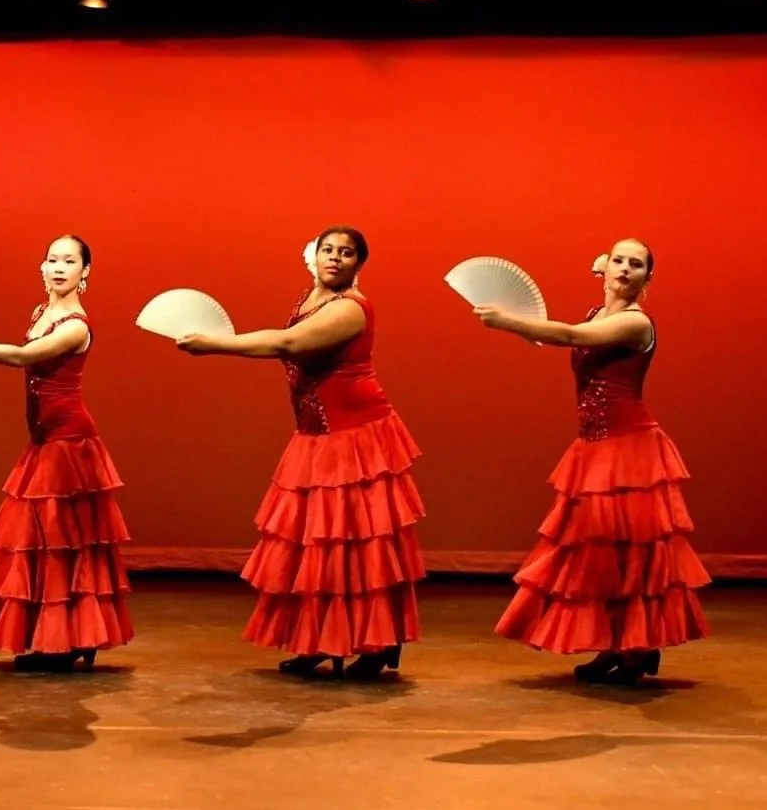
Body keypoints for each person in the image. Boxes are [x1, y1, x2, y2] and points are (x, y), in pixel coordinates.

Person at [177, 227, 425, 680]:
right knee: (316, 547)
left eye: (346, 253)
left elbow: (287, 344)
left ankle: (375, 640)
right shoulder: (310, 300)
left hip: (355, 436)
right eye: (328, 250)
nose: (335, 258)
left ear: (359, 263)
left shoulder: (351, 309)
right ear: (314, 256)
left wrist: (215, 345)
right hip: (315, 436)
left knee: (356, 547)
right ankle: (319, 640)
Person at [473, 237, 711, 684]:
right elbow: (566, 326)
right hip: (594, 448)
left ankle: (639, 646)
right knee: (598, 553)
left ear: (648, 278)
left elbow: (569, 337)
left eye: (636, 264)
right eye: (618, 261)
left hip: (630, 449)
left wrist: (509, 321)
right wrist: (600, 267)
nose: (624, 268)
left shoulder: (636, 324)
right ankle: (614, 644)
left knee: (628, 553)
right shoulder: (598, 311)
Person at [0, 235, 133, 672]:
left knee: (63, 540)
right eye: (52, 259)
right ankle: (56, 635)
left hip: (68, 442)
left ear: (85, 272)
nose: (58, 267)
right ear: (41, 267)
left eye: (69, 261)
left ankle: (70, 638)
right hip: (43, 440)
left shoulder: (77, 324)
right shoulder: (40, 314)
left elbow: (25, 356)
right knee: (42, 541)